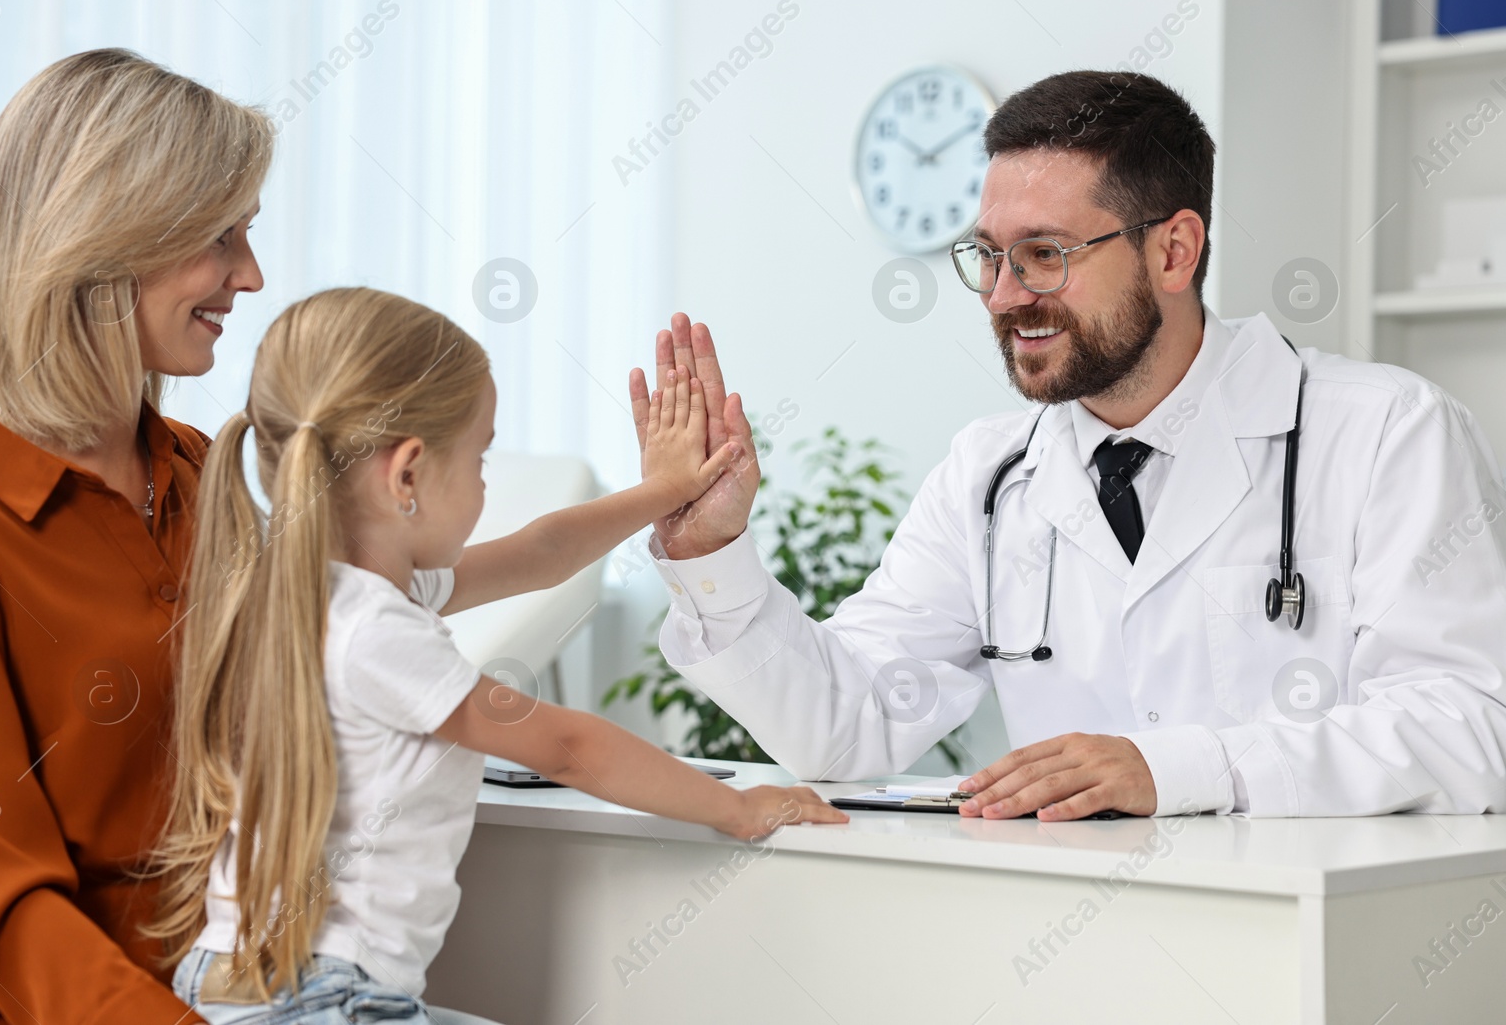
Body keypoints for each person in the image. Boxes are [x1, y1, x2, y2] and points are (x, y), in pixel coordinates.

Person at [629, 70, 1506, 821]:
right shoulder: (988, 475)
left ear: (1174, 250)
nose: (1006, 295)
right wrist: (713, 552)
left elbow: (1470, 724)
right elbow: (845, 722)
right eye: (989, 255)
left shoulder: (1385, 431)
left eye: (1045, 254)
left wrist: (1184, 768)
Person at [147, 287, 844, 1023]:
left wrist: (662, 490)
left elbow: (542, 553)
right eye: (481, 456)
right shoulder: (377, 630)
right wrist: (738, 808)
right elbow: (568, 746)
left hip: (238, 984)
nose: (486, 481)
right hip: (328, 999)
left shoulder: (315, 594)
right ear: (407, 474)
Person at [0, 49, 270, 1022]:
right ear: (107, 238)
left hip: (206, 986)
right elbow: (12, 907)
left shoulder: (194, 473)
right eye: (221, 236)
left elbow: (354, 611)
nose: (251, 274)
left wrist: (676, 529)